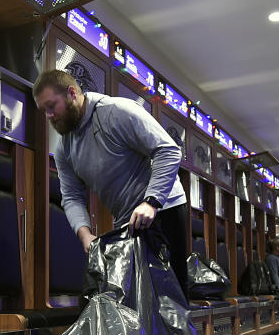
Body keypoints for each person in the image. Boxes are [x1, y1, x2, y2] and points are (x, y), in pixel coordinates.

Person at [32, 69, 189, 294]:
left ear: (72, 93)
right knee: (132, 302)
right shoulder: (64, 148)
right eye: (43, 110)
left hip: (163, 208)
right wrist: (85, 234)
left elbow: (168, 151)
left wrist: (151, 201)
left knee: (171, 300)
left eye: (51, 106)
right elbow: (72, 197)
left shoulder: (116, 111)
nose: (48, 115)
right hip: (127, 221)